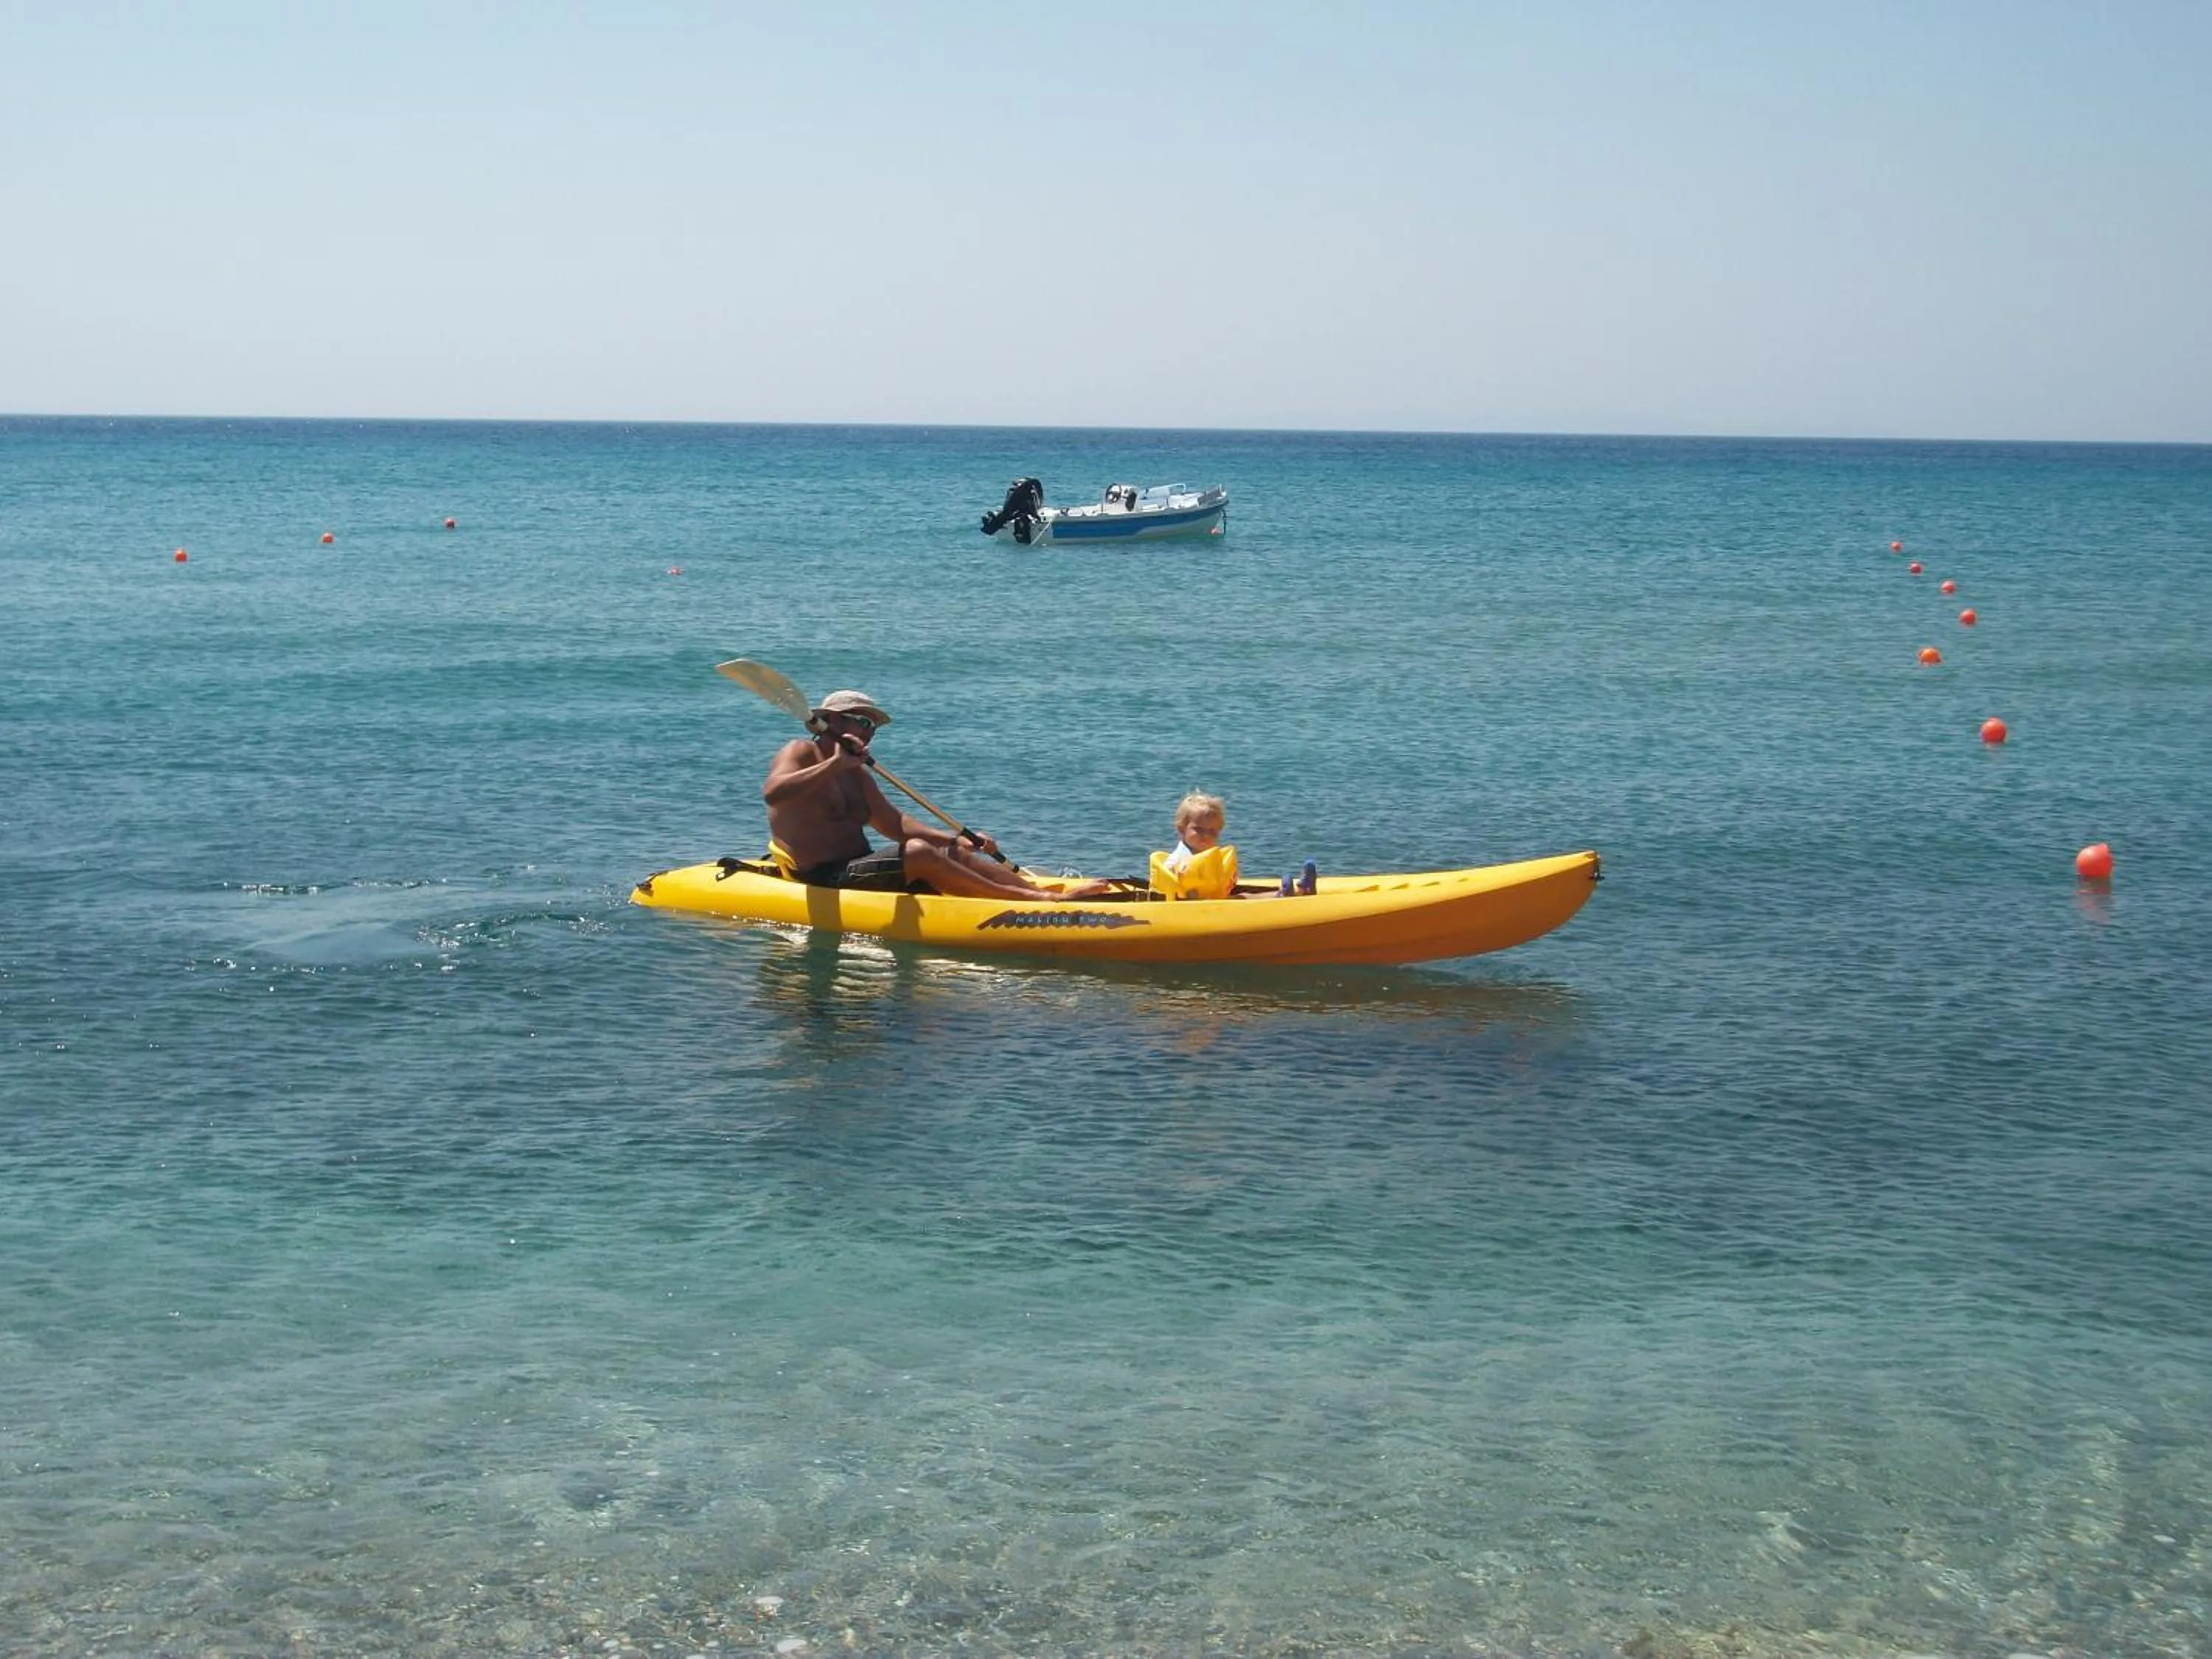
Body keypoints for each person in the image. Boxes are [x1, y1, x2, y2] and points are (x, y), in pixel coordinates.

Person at [762, 689, 1112, 901]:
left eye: (875, 727)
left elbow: (895, 825)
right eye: (864, 722)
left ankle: (1043, 894)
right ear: (833, 722)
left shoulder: (856, 772)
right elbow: (774, 794)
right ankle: (1035, 903)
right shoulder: (800, 752)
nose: (871, 733)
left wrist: (956, 838)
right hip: (823, 877)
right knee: (918, 852)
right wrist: (835, 766)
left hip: (861, 867)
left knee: (943, 847)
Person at [1152, 792, 1316, 899]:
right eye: (1199, 830)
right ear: (1182, 829)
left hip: (1214, 901)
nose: (1206, 836)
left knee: (1243, 896)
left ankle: (1299, 891)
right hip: (1195, 910)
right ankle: (1283, 895)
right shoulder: (1177, 861)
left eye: (1212, 831)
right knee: (1242, 898)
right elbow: (1170, 886)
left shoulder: (1210, 856)